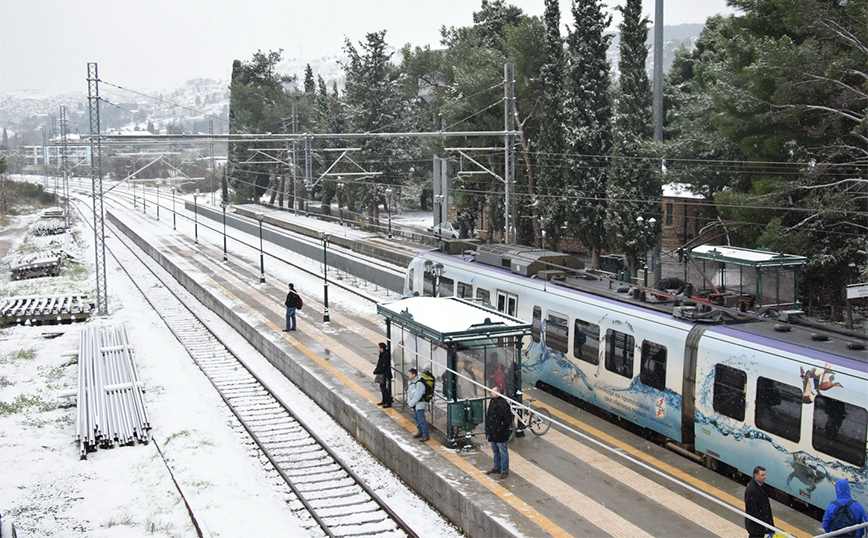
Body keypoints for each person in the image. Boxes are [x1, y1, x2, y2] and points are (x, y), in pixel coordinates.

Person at [484, 386, 513, 479]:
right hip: (494, 432)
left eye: (493, 392)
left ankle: (504, 470)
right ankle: (497, 467)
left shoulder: (503, 404)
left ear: (498, 393)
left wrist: (499, 429)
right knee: (496, 450)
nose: (491, 393)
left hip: (499, 433)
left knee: (502, 451)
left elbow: (507, 420)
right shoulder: (494, 401)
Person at [744, 466, 774, 538]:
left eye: (765, 475)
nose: (765, 477)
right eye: (762, 475)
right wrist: (762, 522)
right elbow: (751, 510)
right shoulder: (752, 490)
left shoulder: (760, 486)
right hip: (756, 526)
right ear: (755, 476)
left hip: (759, 526)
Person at [407, 368, 429, 441]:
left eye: (410, 374)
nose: (408, 375)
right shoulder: (412, 383)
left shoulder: (419, 384)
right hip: (414, 405)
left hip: (419, 404)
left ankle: (425, 435)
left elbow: (418, 395)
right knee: (417, 418)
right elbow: (409, 393)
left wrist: (411, 403)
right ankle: (420, 432)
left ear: (414, 375)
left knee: (421, 419)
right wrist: (410, 402)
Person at [374, 343, 393, 408]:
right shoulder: (382, 354)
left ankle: (388, 401)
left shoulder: (385, 355)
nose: (378, 349)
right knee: (382, 387)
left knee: (384, 388)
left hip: (384, 373)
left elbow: (384, 366)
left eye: (379, 347)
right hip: (382, 372)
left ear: (381, 348)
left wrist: (377, 371)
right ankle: (384, 400)